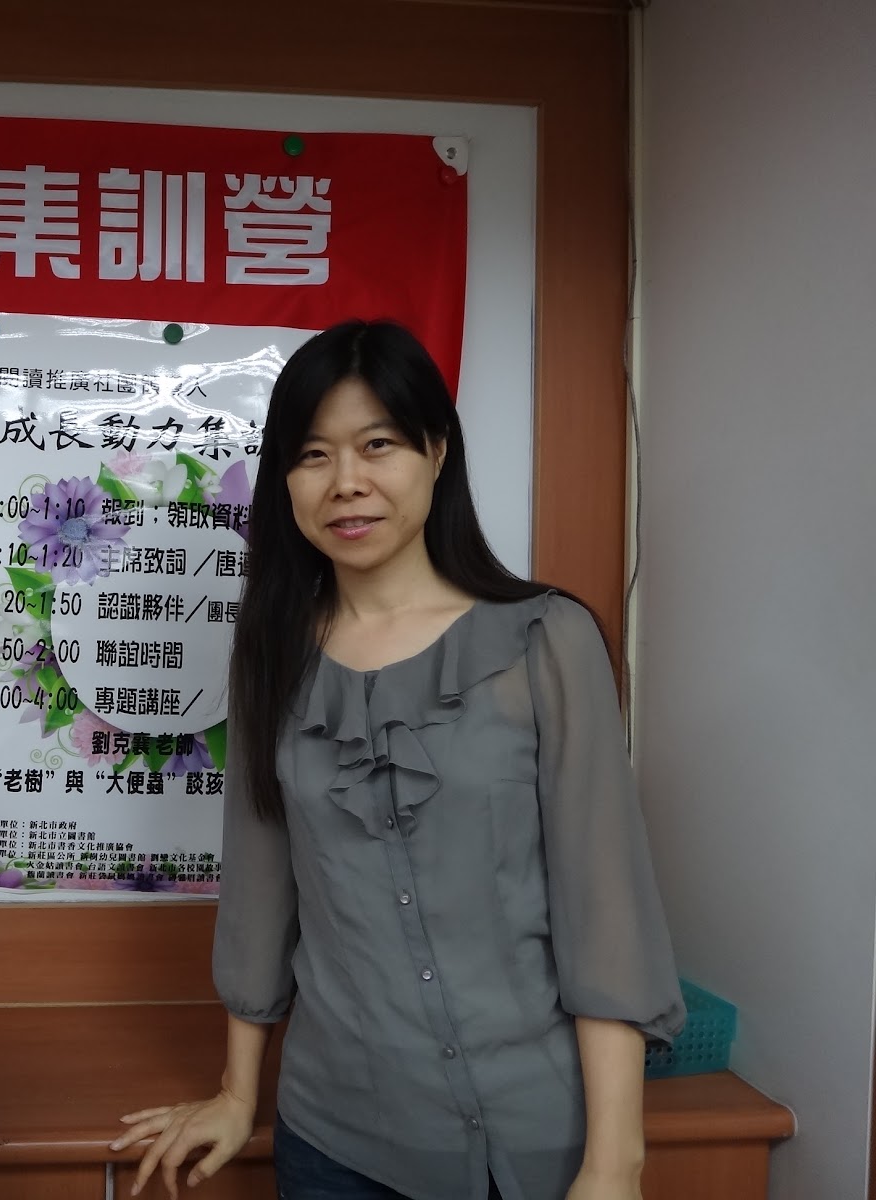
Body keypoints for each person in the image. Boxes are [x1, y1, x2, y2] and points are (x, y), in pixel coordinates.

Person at [111, 321, 684, 1200]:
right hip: (337, 1144)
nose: (347, 481)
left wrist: (616, 1163)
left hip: (539, 1141)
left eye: (377, 444)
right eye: (313, 455)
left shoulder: (545, 641)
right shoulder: (272, 657)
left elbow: (604, 909)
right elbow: (261, 888)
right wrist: (236, 1093)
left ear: (436, 450)